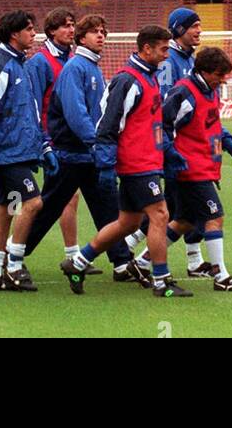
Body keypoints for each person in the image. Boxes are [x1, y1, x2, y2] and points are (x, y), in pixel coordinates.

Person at [58, 25, 191, 297]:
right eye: (164, 49)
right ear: (146, 49)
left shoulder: (149, 77)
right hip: (136, 164)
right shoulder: (128, 80)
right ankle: (161, 281)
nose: (167, 55)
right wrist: (106, 166)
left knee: (128, 223)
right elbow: (108, 125)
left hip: (147, 161)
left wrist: (168, 152)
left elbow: (150, 124)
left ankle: (78, 262)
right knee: (160, 215)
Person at [24, 15, 146, 285]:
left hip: (88, 154)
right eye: (94, 32)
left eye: (103, 31)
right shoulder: (75, 67)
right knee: (49, 209)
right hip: (70, 153)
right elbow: (75, 112)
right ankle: (15, 256)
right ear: (82, 38)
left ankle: (122, 262)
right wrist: (97, 141)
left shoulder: (90, 67)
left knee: (108, 208)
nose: (101, 36)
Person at [0, 10, 53, 292]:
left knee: (6, 209)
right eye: (29, 29)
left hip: (19, 151)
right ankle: (14, 266)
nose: (33, 33)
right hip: (8, 153)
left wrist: (42, 145)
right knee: (33, 203)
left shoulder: (21, 66)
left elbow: (29, 113)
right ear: (14, 34)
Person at [158, 46, 232, 292]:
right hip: (189, 168)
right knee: (214, 217)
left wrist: (228, 143)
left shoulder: (210, 90)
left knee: (185, 221)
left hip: (203, 165)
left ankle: (143, 261)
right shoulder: (184, 92)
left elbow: (212, 124)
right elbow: (163, 124)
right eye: (219, 74)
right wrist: (171, 153)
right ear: (204, 71)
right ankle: (221, 276)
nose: (223, 79)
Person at [142, 6, 211, 277]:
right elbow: (163, 103)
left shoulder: (190, 60)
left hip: (189, 143)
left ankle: (193, 260)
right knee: (168, 207)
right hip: (169, 143)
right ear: (180, 30)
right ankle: (132, 256)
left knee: (182, 207)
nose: (199, 30)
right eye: (194, 26)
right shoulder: (169, 62)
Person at [26, 8, 81, 260]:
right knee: (45, 201)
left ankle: (73, 255)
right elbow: (34, 104)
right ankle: (12, 251)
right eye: (65, 26)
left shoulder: (71, 59)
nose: (71, 30)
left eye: (72, 25)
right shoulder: (40, 62)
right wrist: (42, 141)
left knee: (65, 198)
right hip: (51, 141)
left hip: (69, 141)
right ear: (51, 31)